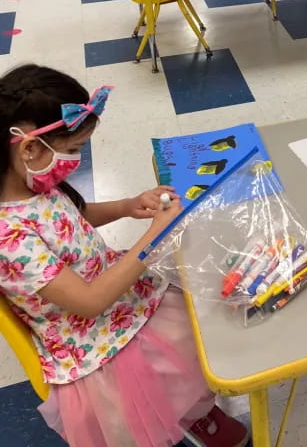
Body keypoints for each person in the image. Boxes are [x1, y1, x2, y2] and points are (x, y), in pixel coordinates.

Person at [0, 65, 248, 447]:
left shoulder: (32, 181)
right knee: (186, 340)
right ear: (30, 147)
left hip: (117, 290)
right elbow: (88, 302)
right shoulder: (8, 237)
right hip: (96, 336)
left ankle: (190, 409)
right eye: (72, 150)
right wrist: (153, 237)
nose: (76, 159)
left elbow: (70, 219)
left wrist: (128, 206)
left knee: (200, 318)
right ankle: (172, 410)